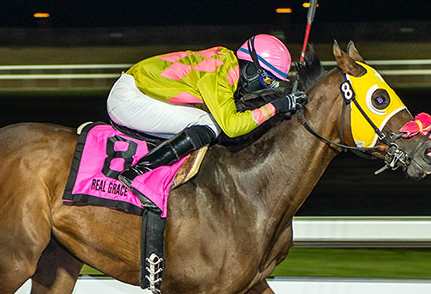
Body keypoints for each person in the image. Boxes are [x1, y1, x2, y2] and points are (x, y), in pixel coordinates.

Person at [105, 33, 306, 209]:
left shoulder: (226, 66)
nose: (267, 87)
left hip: (140, 92)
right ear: (251, 69)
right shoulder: (219, 74)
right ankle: (139, 173)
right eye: (268, 80)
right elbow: (233, 127)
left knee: (206, 122)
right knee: (210, 124)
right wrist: (277, 106)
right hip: (128, 100)